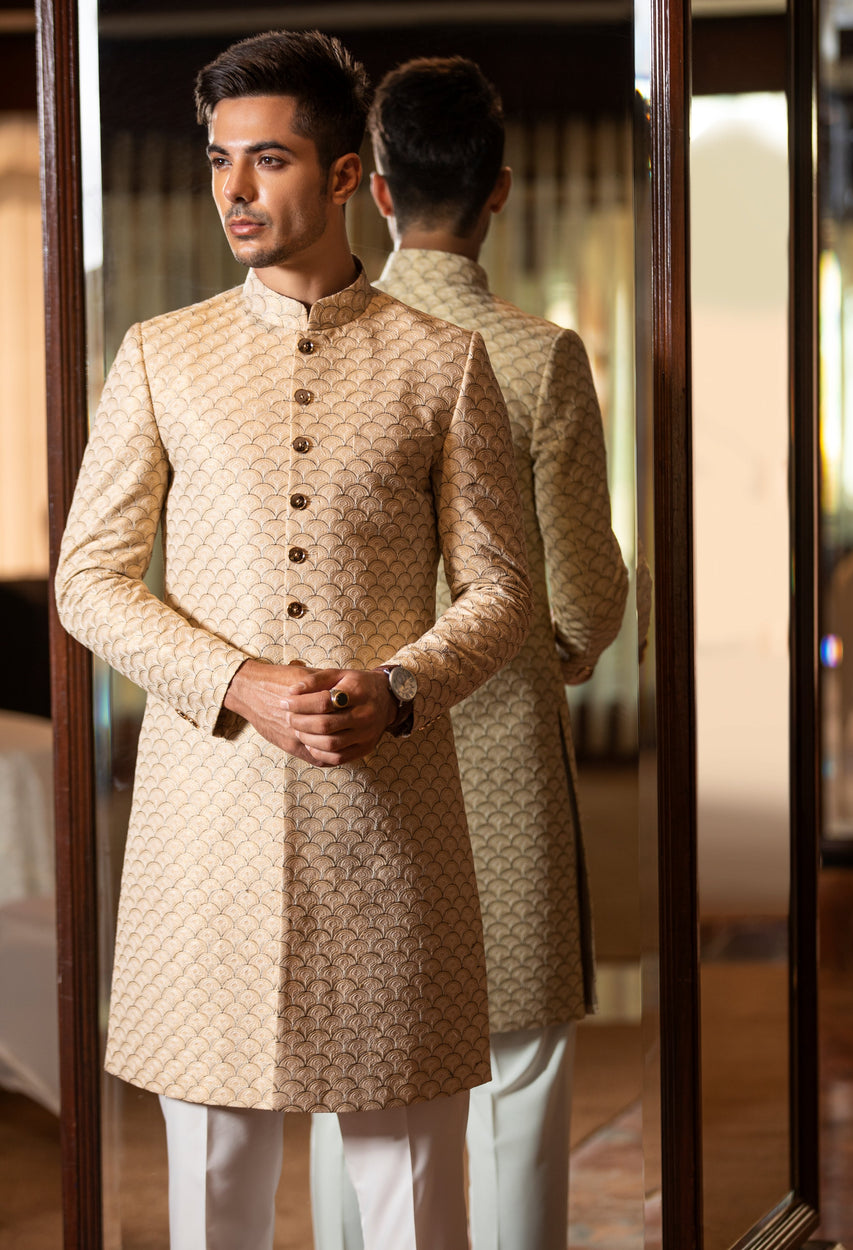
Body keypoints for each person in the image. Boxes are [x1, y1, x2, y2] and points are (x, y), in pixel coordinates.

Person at [54, 30, 533, 1250]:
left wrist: (405, 683)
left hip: (391, 835)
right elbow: (89, 581)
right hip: (202, 839)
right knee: (212, 1202)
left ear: (340, 176)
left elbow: (502, 591)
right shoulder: (162, 356)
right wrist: (237, 681)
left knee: (415, 1198)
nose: (235, 190)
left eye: (266, 161)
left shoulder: (446, 362)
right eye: (221, 160)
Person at [310, 57, 629, 1250]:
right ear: (499, 191)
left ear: (375, 192)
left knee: (358, 1062)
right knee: (514, 1073)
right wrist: (550, 644)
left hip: (346, 754)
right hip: (494, 759)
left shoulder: (319, 345)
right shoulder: (536, 357)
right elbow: (585, 601)